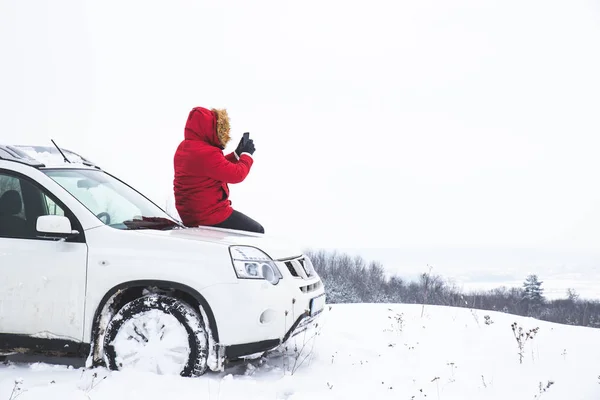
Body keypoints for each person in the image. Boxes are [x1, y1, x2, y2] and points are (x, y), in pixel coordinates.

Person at [173, 106, 265, 233]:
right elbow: (237, 175)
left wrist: (237, 154)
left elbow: (213, 168)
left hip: (190, 213)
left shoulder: (184, 148)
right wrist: (247, 155)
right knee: (257, 231)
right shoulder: (207, 153)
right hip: (209, 215)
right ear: (208, 127)